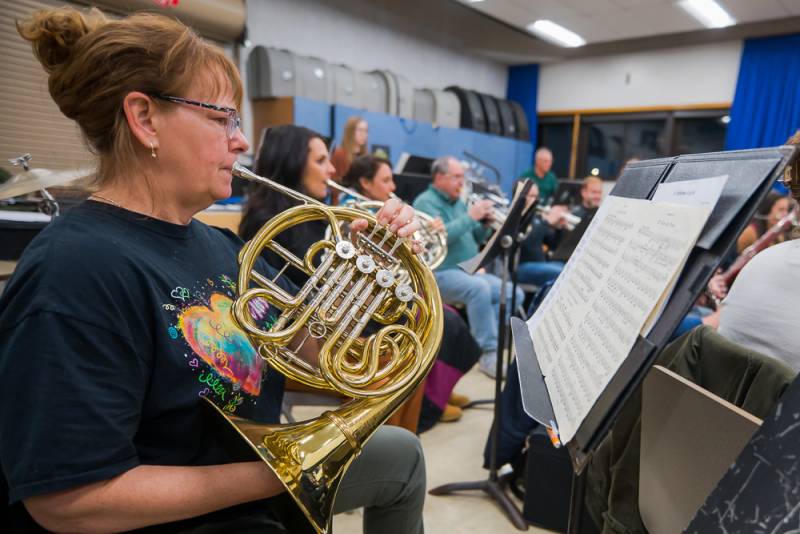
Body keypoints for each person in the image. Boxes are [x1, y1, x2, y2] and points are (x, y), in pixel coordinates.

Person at [0, 8, 425, 533]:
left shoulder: (221, 245)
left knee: (402, 455)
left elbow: (312, 360)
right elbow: (69, 498)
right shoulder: (76, 270)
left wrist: (368, 273)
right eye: (222, 118)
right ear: (145, 118)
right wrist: (280, 473)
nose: (242, 141)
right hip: (180, 516)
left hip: (241, 479)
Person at [342, 155, 481, 428]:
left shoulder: (386, 208)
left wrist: (421, 236)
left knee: (444, 316)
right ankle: (432, 402)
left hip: (385, 292)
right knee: (436, 319)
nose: (393, 184)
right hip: (367, 305)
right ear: (365, 183)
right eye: (385, 180)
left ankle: (440, 390)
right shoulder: (356, 211)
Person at [413, 156, 524, 379]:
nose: (461, 183)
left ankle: (480, 347)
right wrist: (470, 216)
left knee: (513, 293)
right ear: (439, 177)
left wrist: (483, 225)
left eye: (463, 177)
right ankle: (489, 352)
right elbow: (440, 238)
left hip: (467, 272)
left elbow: (473, 236)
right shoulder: (426, 202)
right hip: (441, 273)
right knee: (479, 290)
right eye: (456, 177)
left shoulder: (459, 203)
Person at [516, 183, 568, 288]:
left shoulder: (536, 217)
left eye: (536, 196)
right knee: (562, 273)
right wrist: (547, 222)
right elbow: (526, 244)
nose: (535, 200)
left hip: (540, 264)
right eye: (531, 196)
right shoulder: (516, 218)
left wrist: (559, 228)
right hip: (521, 266)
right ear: (519, 196)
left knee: (568, 268)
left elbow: (552, 244)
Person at [330, 116, 368, 189]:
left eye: (366, 131)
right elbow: (333, 182)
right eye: (360, 130)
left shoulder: (367, 156)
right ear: (350, 131)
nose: (364, 134)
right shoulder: (340, 154)